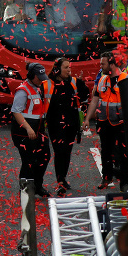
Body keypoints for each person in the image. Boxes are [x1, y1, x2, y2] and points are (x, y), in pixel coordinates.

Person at [82, 52, 128, 190]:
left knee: (123, 152)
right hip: (104, 121)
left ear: (112, 64)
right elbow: (95, 100)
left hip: (121, 122)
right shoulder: (102, 80)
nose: (100, 66)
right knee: (106, 151)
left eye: (103, 63)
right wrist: (87, 119)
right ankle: (106, 178)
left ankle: (125, 182)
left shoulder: (125, 80)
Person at [10, 62, 53, 197]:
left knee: (44, 156)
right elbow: (16, 112)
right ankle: (25, 189)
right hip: (24, 131)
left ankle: (37, 186)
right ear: (32, 76)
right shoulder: (23, 90)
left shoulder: (38, 87)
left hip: (38, 129)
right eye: (39, 77)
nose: (41, 80)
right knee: (29, 160)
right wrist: (28, 129)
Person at [46, 58, 85, 196]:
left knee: (67, 152)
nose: (69, 70)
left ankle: (63, 178)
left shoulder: (74, 82)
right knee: (60, 151)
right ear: (57, 69)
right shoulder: (48, 84)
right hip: (55, 125)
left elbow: (85, 95)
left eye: (69, 67)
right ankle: (60, 181)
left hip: (71, 124)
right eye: (66, 67)